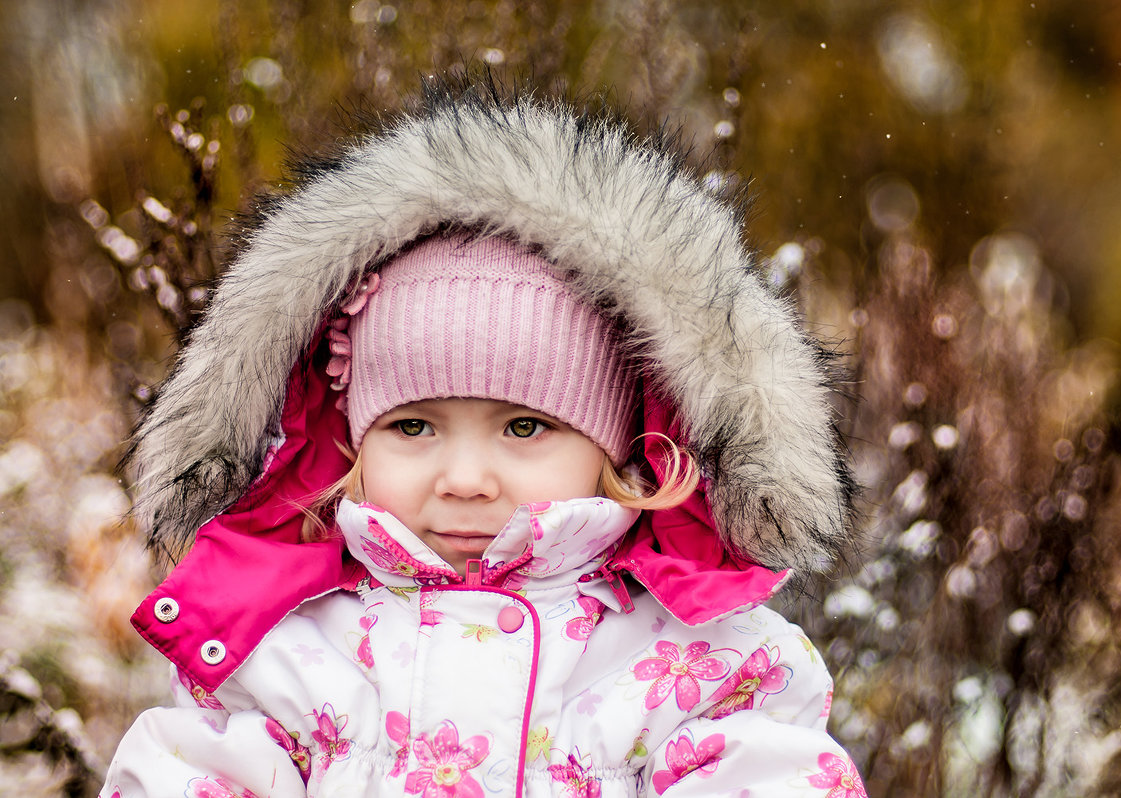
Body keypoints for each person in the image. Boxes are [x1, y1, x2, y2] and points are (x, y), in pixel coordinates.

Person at [103, 77, 865, 797]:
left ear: (620, 448)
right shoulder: (286, 650)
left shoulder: (698, 660)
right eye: (412, 426)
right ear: (349, 444)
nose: (464, 477)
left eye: (524, 427)